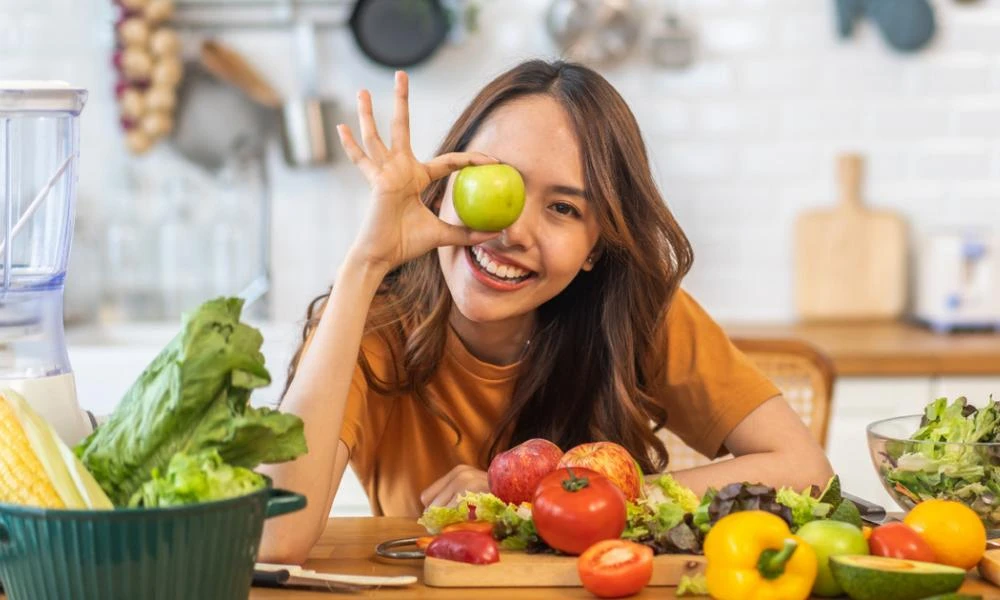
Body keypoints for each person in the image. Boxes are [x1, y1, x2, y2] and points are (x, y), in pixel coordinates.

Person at [258, 60, 833, 563]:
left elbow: (806, 470)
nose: (511, 231)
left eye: (562, 208)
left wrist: (539, 500)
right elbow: (270, 540)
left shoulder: (639, 313)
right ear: (444, 182)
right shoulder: (370, 322)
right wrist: (366, 262)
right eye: (495, 180)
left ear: (594, 249)